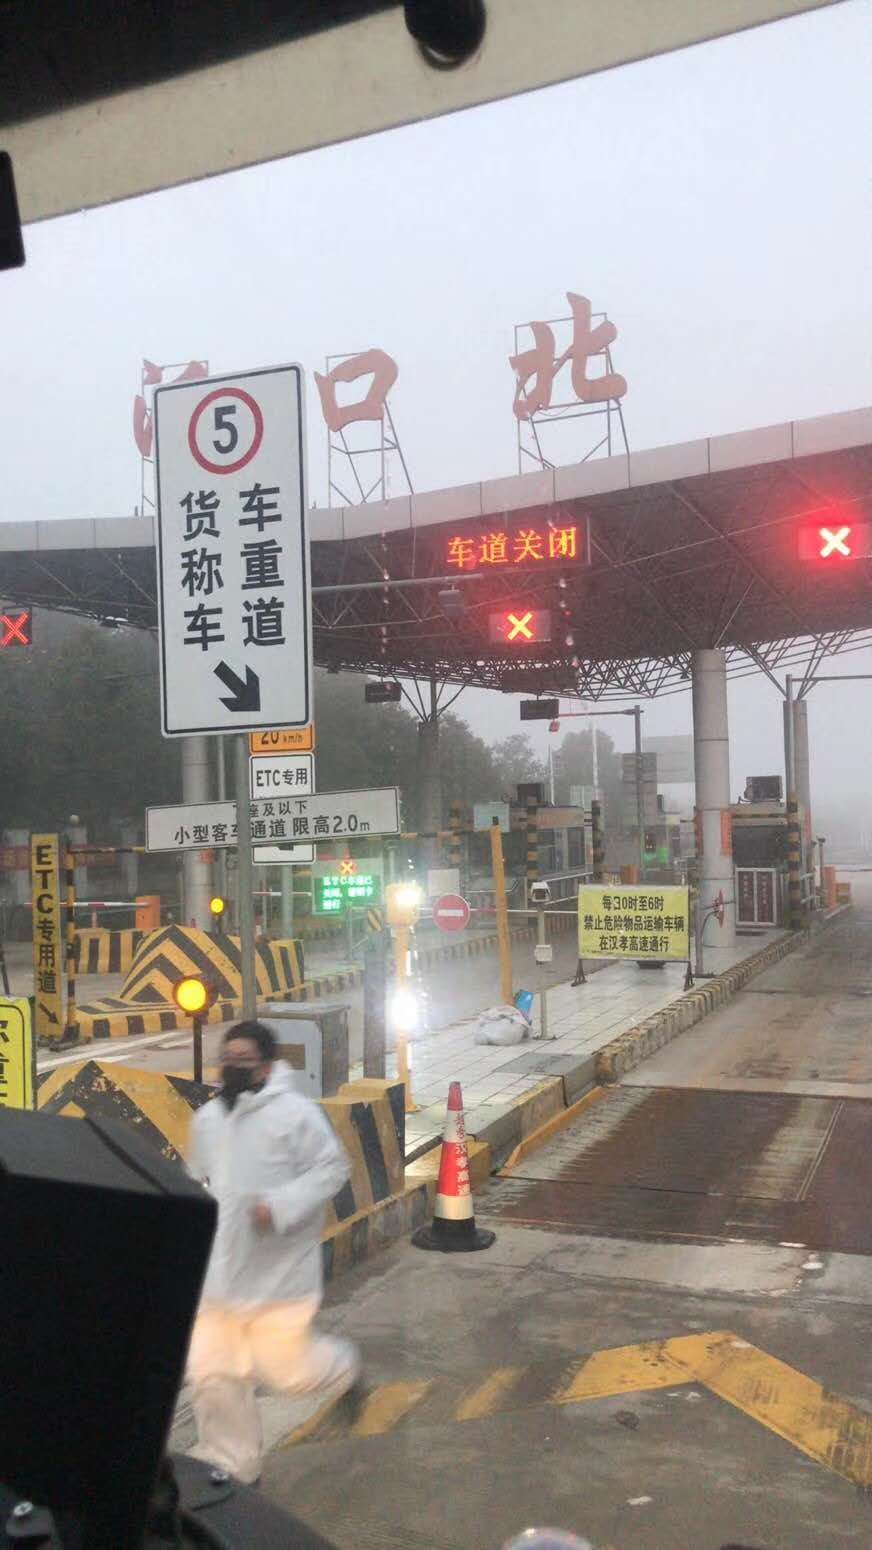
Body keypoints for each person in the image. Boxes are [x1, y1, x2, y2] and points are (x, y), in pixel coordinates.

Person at [184, 1019, 360, 1484]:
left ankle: (343, 1370)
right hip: (219, 1276)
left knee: (285, 1373)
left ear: (265, 1066)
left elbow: (332, 1168)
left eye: (243, 1060)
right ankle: (233, 1467)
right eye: (228, 1059)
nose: (233, 1067)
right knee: (213, 1373)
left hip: (277, 1276)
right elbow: (194, 1180)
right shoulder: (207, 1120)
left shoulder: (295, 1115)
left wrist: (280, 1206)